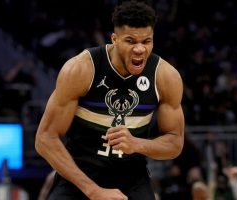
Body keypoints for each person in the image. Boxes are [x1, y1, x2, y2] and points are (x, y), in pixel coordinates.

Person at [35, 1, 185, 200]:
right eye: (131, 41)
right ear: (114, 39)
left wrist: (137, 144)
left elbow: (175, 142)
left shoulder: (165, 76)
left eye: (146, 41)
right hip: (80, 173)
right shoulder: (81, 69)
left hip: (132, 175)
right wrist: (92, 190)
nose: (140, 49)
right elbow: (45, 138)